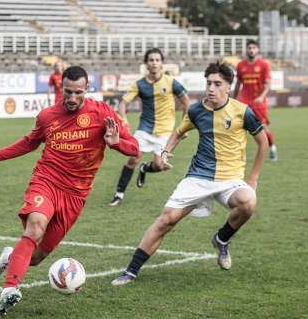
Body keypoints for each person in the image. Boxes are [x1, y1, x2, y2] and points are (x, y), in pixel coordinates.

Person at [0, 66, 139, 315]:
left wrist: (116, 144)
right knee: (35, 227)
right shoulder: (47, 116)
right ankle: (9, 289)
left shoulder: (102, 113)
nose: (72, 99)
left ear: (87, 90)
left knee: (37, 257)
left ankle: (10, 257)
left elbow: (135, 148)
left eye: (78, 93)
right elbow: (29, 142)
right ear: (61, 89)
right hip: (47, 181)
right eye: (68, 92)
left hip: (76, 195)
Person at [111, 61, 268, 286]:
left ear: (228, 86)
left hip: (230, 180)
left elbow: (262, 142)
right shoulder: (196, 110)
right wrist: (165, 152)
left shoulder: (243, 112)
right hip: (198, 178)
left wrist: (252, 179)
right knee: (166, 220)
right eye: (208, 83)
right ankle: (131, 271)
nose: (211, 88)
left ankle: (221, 239)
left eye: (217, 84)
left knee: (248, 202)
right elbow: (178, 133)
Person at [109, 47, 191, 206]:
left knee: (160, 165)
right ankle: (119, 194)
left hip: (165, 131)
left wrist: (184, 125)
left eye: (157, 60)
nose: (154, 63)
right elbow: (123, 103)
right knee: (133, 158)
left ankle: (145, 169)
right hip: (145, 129)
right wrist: (124, 118)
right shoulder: (139, 84)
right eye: (151, 60)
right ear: (146, 64)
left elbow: (186, 101)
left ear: (162, 64)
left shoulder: (170, 82)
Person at [234, 39, 277, 160]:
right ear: (246, 50)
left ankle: (272, 147)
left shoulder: (264, 65)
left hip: (258, 102)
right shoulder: (241, 65)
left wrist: (262, 96)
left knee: (262, 127)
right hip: (244, 100)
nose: (251, 50)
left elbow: (268, 84)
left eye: (253, 48)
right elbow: (238, 83)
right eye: (249, 48)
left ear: (257, 50)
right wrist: (233, 99)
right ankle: (239, 153)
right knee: (238, 126)